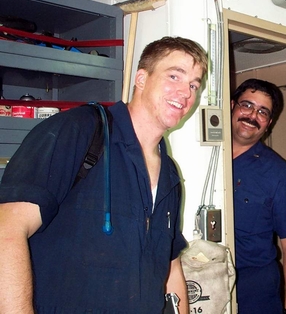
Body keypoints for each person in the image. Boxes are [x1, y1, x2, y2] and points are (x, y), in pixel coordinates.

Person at [0, 36, 208, 314]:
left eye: (193, 85)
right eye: (174, 76)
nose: (185, 93)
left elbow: (170, 266)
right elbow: (7, 230)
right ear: (141, 79)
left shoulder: (170, 174)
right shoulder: (81, 130)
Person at [231, 78, 286, 314]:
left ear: (268, 124)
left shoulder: (277, 172)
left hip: (255, 292)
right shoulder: (201, 155)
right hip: (204, 283)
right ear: (232, 106)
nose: (252, 116)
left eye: (263, 112)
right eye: (247, 105)